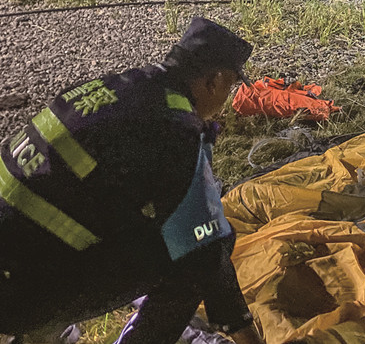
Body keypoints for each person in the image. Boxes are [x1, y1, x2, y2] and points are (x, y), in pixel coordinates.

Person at [0, 17, 263, 344]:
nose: (225, 100)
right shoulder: (173, 126)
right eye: (230, 86)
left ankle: (43, 331)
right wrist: (243, 329)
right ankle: (41, 323)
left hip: (15, 255)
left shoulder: (120, 88)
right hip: (17, 289)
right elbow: (203, 243)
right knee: (193, 256)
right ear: (215, 80)